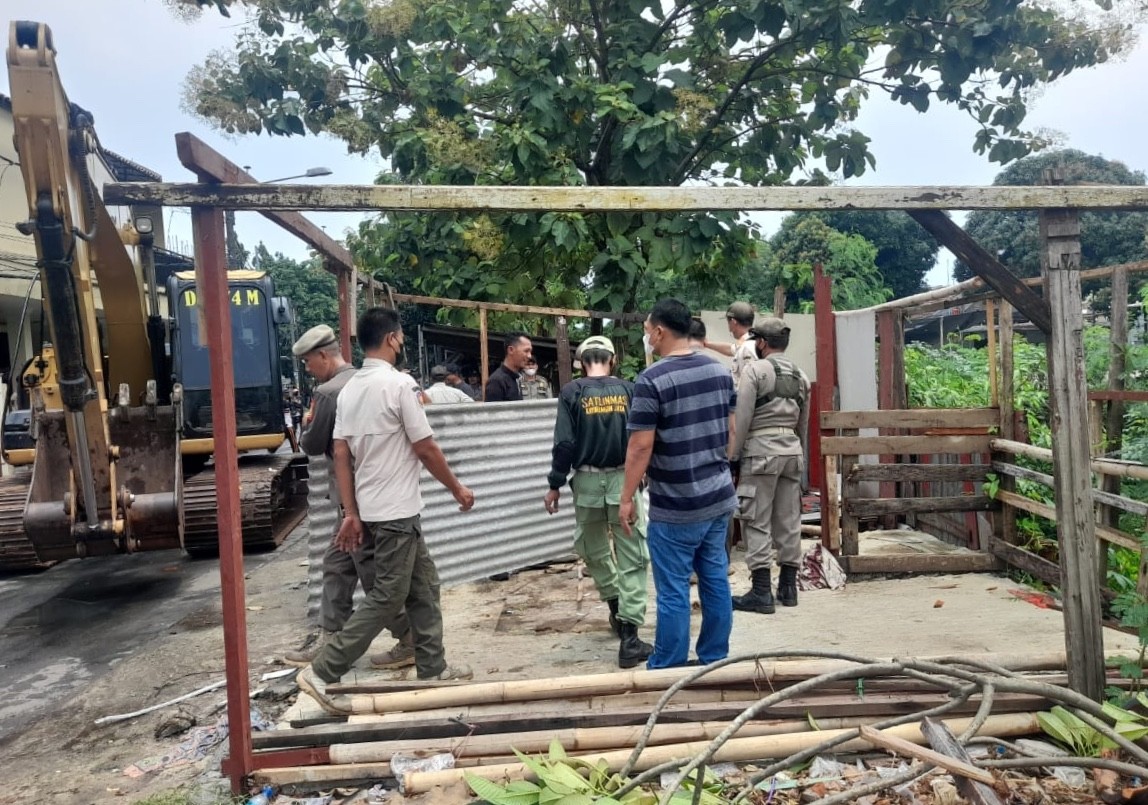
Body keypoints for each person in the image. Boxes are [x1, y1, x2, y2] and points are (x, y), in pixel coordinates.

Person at [298, 308, 476, 714]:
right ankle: (324, 669)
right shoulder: (398, 385)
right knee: (388, 594)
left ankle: (433, 669)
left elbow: (340, 454)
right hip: (396, 511)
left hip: (377, 509)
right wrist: (457, 488)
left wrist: (350, 511)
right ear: (394, 338)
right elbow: (425, 447)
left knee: (425, 585)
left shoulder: (350, 390)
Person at [283, 325, 414, 670]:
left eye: (309, 362)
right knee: (337, 567)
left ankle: (411, 636)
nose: (308, 369)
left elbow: (311, 445)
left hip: (355, 501)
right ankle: (330, 636)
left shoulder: (328, 392)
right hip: (375, 493)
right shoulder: (363, 380)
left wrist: (308, 424)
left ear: (324, 355)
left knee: (371, 574)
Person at [620, 299, 737, 669]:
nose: (646, 336)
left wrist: (626, 499)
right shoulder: (720, 372)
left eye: (647, 329)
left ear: (659, 331)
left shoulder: (651, 380)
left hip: (676, 505)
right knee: (715, 578)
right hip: (718, 497)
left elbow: (640, 446)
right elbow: (730, 433)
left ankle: (668, 665)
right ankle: (714, 659)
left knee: (672, 590)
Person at [544, 335, 651, 668]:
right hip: (625, 480)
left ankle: (616, 607)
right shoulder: (630, 390)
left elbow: (564, 444)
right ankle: (629, 633)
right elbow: (643, 439)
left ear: (580, 363)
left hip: (587, 481)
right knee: (633, 555)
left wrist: (555, 484)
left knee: (592, 549)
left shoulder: (571, 392)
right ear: (613, 359)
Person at [728, 317, 811, 613]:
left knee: (756, 519)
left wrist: (733, 458)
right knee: (789, 520)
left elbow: (743, 419)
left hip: (761, 453)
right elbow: (803, 424)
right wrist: (802, 461)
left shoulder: (755, 371)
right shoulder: (801, 375)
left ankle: (761, 591)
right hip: (792, 452)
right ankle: (788, 588)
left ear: (762, 343)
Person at [704, 301, 757, 389]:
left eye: (728, 322)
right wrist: (707, 344)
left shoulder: (747, 348)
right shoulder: (750, 340)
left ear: (733, 322)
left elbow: (752, 384)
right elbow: (730, 349)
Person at [484, 332, 533, 401]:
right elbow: (493, 411)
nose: (529, 356)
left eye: (530, 352)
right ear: (511, 350)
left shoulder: (517, 378)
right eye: (526, 351)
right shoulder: (497, 382)